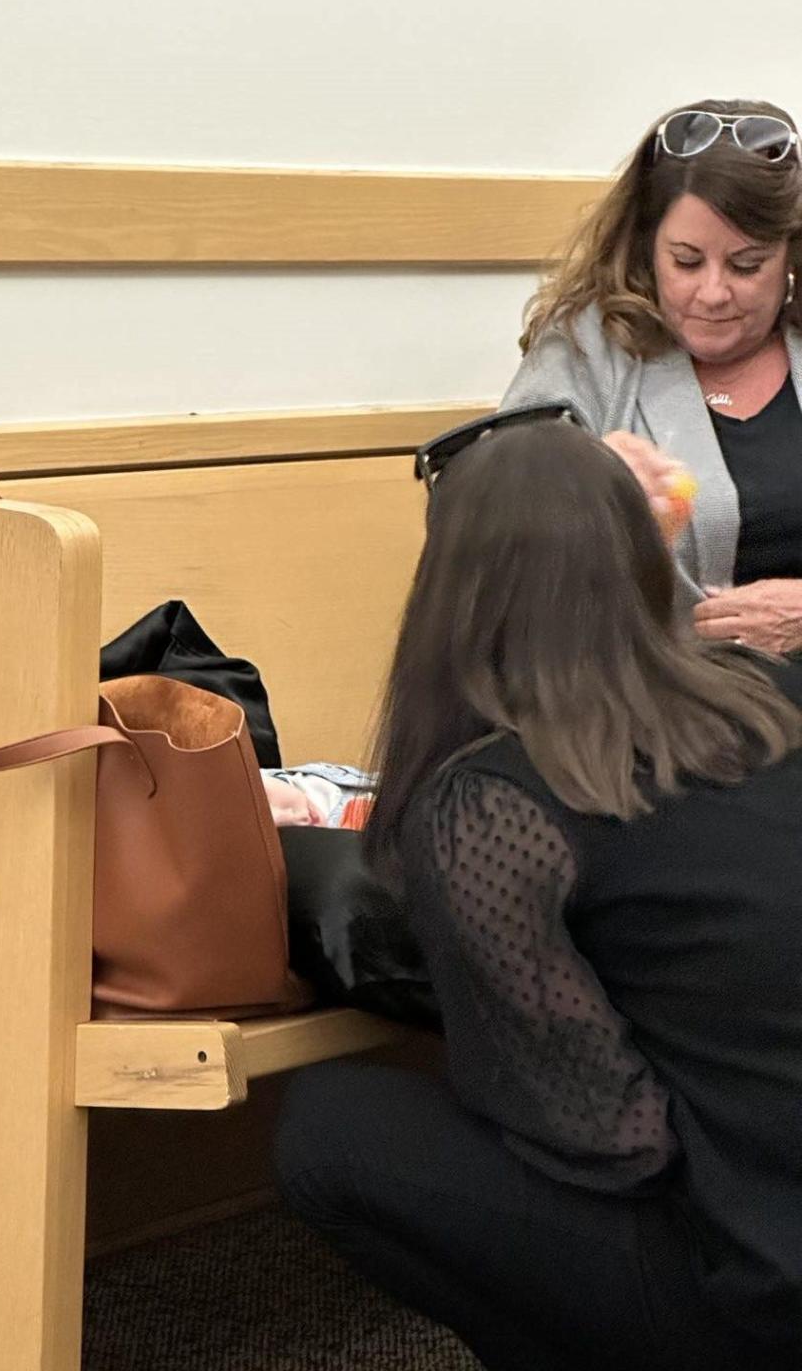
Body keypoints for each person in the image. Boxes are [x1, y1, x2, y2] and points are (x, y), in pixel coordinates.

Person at [273, 414, 802, 1371]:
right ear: (639, 563)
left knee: (329, 1129)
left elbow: (618, 1140)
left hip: (763, 1291)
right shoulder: (766, 698)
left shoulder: (493, 802)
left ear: (452, 594)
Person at [501, 98, 802, 654]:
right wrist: (582, 487)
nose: (713, 293)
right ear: (646, 249)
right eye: (686, 261)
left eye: (746, 265)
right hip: (654, 704)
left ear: (792, 256)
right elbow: (486, 526)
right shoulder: (586, 349)